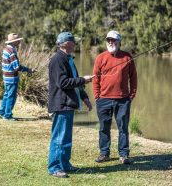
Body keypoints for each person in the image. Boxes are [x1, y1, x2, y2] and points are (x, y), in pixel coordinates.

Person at [47, 31, 93, 178]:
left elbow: (75, 81)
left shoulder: (69, 59)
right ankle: (55, 168)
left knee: (66, 137)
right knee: (59, 137)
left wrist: (85, 97)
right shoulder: (57, 60)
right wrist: (83, 79)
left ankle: (65, 164)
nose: (75, 43)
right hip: (61, 104)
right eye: (73, 41)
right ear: (67, 43)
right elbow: (63, 82)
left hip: (69, 104)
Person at [92, 30, 137, 164]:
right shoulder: (100, 57)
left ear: (119, 42)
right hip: (103, 99)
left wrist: (131, 96)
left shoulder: (127, 57)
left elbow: (133, 78)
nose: (111, 42)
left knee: (123, 128)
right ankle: (104, 153)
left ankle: (124, 155)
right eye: (108, 40)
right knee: (104, 127)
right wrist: (97, 96)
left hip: (123, 100)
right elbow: (95, 79)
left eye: (113, 40)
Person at [0, 33, 34, 121]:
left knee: (6, 95)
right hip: (12, 78)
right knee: (11, 97)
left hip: (6, 77)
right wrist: (28, 70)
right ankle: (8, 116)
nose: (19, 42)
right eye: (18, 41)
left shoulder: (6, 49)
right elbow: (16, 67)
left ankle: (1, 112)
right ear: (14, 42)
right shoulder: (12, 52)